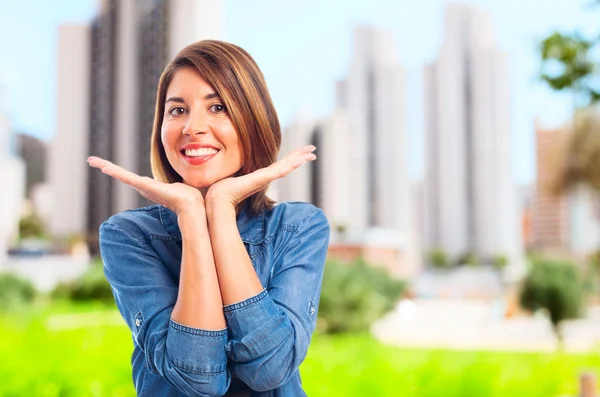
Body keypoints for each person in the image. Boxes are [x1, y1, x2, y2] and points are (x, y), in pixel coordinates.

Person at [88, 40, 330, 397]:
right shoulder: (129, 235)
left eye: (217, 107)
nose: (193, 127)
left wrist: (220, 210)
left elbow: (271, 368)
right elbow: (199, 378)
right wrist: (192, 219)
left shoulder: (298, 227)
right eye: (177, 110)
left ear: (253, 119)